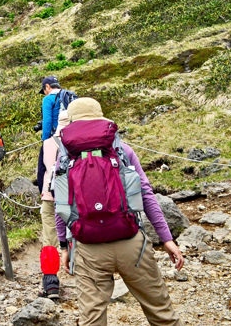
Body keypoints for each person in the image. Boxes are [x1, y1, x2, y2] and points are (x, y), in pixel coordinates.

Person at [58, 97, 185, 326]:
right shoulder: (122, 150)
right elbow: (146, 194)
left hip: (88, 248)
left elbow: (61, 206)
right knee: (161, 313)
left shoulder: (65, 156)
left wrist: (65, 246)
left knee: (92, 320)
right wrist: (166, 238)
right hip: (131, 243)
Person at [34, 76, 75, 299]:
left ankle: (51, 283)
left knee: (49, 225)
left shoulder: (48, 99)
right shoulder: (72, 98)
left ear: (47, 87)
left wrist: (44, 138)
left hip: (54, 186)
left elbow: (47, 124)